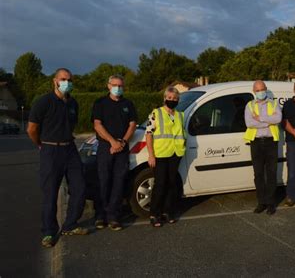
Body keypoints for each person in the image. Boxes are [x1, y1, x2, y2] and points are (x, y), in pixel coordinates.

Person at [27, 68, 88, 248]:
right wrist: (41, 144)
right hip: (50, 151)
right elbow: (31, 129)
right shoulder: (43, 102)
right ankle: (48, 232)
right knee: (50, 193)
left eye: (69, 80)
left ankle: (70, 224)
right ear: (55, 81)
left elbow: (71, 125)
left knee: (80, 187)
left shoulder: (73, 103)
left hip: (70, 150)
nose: (66, 82)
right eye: (63, 79)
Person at [91, 74, 137, 230]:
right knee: (103, 181)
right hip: (106, 147)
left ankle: (113, 216)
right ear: (108, 86)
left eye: (121, 85)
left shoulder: (128, 104)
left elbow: (132, 124)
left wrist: (122, 142)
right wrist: (112, 142)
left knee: (119, 182)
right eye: (115, 85)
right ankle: (100, 215)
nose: (118, 88)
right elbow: (97, 125)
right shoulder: (100, 103)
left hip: (122, 147)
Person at [146, 87, 186, 227]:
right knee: (160, 184)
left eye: (175, 99)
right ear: (164, 98)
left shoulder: (180, 115)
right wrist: (151, 154)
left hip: (176, 153)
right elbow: (149, 134)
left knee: (171, 184)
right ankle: (154, 214)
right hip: (161, 154)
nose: (172, 100)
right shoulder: (156, 113)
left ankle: (166, 212)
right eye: (169, 98)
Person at [244, 80, 282, 215]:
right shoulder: (249, 105)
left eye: (262, 89)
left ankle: (271, 203)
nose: (260, 92)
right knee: (258, 174)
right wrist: (267, 121)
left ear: (266, 89)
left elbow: (278, 119)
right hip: (256, 143)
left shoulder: (274, 103)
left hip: (271, 142)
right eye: (258, 90)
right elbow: (249, 123)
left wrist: (259, 118)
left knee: (271, 174)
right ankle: (261, 202)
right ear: (254, 91)